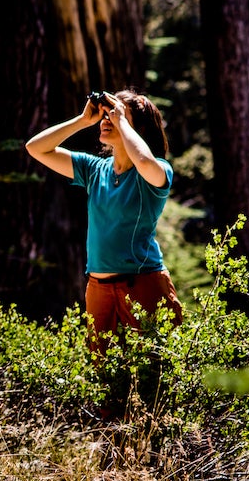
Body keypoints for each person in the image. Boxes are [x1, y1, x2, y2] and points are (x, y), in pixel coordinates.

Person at [23, 90, 182, 349]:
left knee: (155, 375)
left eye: (116, 115)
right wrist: (82, 121)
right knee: (106, 377)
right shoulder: (95, 169)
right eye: (106, 115)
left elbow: (143, 160)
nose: (107, 119)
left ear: (137, 128)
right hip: (99, 289)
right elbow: (35, 148)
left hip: (143, 283)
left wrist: (119, 119)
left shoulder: (159, 169)